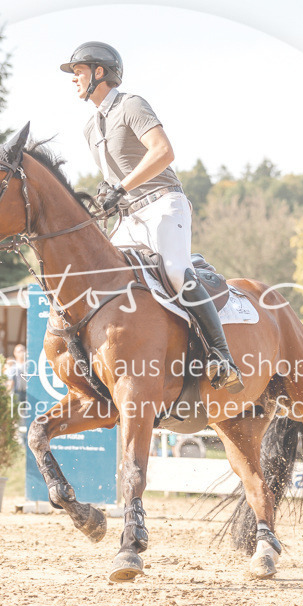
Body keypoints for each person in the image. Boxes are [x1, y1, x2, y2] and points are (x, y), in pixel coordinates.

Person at [60, 41, 243, 393]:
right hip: (129, 216)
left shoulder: (131, 104)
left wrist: (122, 186)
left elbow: (163, 151)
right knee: (99, 275)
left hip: (163, 203)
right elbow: (117, 176)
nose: (74, 80)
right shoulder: (90, 127)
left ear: (100, 72)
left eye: (78, 72)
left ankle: (222, 356)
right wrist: (107, 191)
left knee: (175, 270)